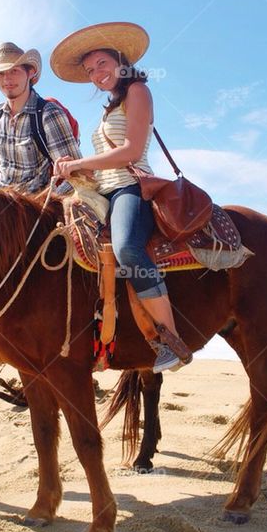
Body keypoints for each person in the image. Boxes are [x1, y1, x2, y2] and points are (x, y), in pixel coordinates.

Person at [50, 22, 189, 373]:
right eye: (90, 70)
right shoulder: (108, 109)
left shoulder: (138, 91)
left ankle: (169, 339)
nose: (96, 73)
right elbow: (102, 167)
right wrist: (77, 171)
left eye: (101, 64)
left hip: (129, 188)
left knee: (127, 248)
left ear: (120, 61)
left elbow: (130, 152)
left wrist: (80, 161)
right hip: (103, 192)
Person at [0, 42, 81, 194]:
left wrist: (49, 201)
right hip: (2, 201)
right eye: (1, 73)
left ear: (30, 72)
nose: (7, 79)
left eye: (14, 71)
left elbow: (74, 174)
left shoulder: (48, 113)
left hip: (37, 204)